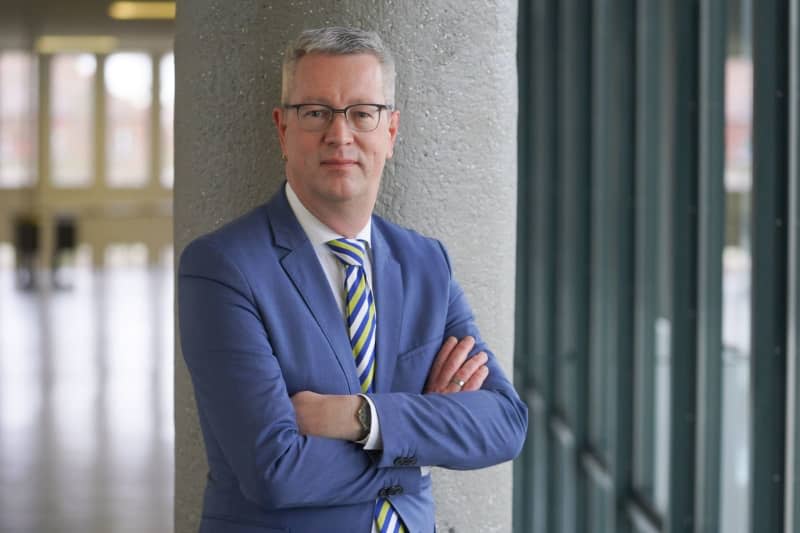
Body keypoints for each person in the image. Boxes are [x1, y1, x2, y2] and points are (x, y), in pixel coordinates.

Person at [178, 26, 528, 533]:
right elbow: (274, 471)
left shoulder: (427, 263)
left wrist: (362, 419)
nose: (339, 135)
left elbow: (504, 424)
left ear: (391, 132)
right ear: (282, 128)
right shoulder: (223, 268)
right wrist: (421, 442)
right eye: (316, 112)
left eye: (363, 113)